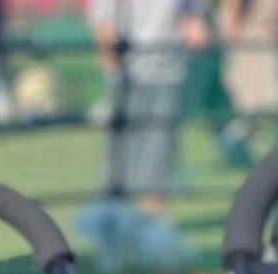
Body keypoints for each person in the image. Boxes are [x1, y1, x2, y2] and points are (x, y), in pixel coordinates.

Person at [89, 0, 209, 213]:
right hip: (125, 69)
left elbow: (191, 20)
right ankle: (114, 213)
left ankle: (150, 216)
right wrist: (110, 58)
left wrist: (193, 29)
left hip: (167, 68)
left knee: (158, 146)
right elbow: (102, 19)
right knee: (120, 148)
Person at [220, 0, 278, 153]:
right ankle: (229, 140)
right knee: (252, 106)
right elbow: (230, 16)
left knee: (264, 103)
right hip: (249, 44)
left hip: (265, 44)